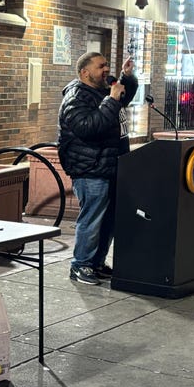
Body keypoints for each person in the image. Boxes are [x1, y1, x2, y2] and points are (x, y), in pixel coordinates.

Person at [58, 52, 137, 286]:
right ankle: (81, 265)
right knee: (92, 219)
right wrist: (111, 101)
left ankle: (96, 263)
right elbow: (88, 128)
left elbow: (123, 97)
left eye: (107, 65)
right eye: (101, 66)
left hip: (111, 166)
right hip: (90, 169)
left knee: (109, 220)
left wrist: (127, 77)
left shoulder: (102, 91)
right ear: (85, 73)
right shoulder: (75, 97)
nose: (106, 69)